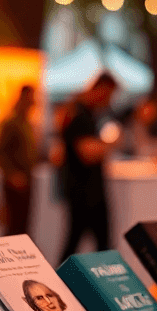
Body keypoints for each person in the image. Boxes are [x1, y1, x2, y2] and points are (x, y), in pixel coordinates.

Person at [60, 73, 118, 260]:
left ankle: (63, 273)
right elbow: (87, 153)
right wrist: (111, 143)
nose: (109, 100)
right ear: (101, 89)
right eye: (109, 94)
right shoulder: (80, 115)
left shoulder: (84, 113)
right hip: (85, 193)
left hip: (86, 191)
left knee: (85, 242)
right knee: (90, 243)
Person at [0, 85, 39, 236]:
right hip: (15, 180)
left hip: (27, 178)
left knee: (24, 223)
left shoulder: (27, 122)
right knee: (14, 224)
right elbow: (0, 151)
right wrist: (11, 174)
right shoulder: (11, 122)